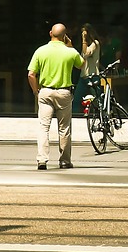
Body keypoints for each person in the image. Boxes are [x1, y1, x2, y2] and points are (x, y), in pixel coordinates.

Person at [26, 22, 84, 171]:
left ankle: (42, 160)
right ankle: (64, 161)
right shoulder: (70, 52)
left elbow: (31, 74)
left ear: (50, 33)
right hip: (64, 93)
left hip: (45, 91)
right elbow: (81, 65)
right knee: (64, 128)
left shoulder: (41, 51)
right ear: (65, 36)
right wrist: (70, 46)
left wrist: (35, 91)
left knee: (43, 127)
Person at [75, 24, 102, 108]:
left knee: (97, 100)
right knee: (76, 99)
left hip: (93, 76)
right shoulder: (84, 46)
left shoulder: (95, 44)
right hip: (83, 75)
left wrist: (84, 39)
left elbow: (86, 53)